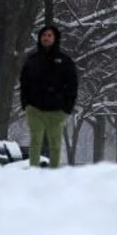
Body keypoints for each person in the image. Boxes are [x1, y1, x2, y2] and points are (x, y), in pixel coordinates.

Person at [19, 25, 78, 168]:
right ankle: (34, 172)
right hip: (35, 109)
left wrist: (67, 107)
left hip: (57, 111)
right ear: (40, 38)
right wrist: (26, 104)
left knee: (55, 144)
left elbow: (72, 84)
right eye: (43, 35)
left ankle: (54, 174)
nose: (46, 38)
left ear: (55, 38)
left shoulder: (64, 61)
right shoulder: (32, 60)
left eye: (49, 35)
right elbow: (24, 82)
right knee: (36, 141)